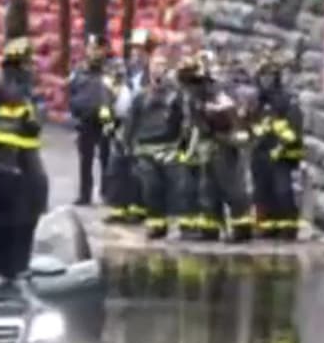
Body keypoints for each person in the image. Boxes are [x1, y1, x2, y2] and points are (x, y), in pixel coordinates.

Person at [177, 54, 254, 242]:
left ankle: (241, 228)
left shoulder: (217, 94)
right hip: (209, 146)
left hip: (225, 146)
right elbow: (194, 125)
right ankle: (210, 229)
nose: (187, 88)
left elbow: (228, 119)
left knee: (232, 188)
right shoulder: (195, 96)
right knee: (208, 189)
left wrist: (213, 123)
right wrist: (188, 147)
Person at [0, 37, 48, 215]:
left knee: (37, 179)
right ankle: (2, 210)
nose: (30, 63)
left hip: (27, 138)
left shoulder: (31, 80)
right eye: (27, 58)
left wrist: (35, 122)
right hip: (4, 139)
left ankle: (37, 210)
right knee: (7, 178)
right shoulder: (0, 80)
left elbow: (37, 106)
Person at [125, 54, 187, 239]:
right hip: (145, 148)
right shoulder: (140, 96)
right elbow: (131, 122)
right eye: (155, 64)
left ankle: (180, 224)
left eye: (162, 64)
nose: (158, 68)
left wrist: (182, 145)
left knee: (176, 188)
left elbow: (185, 121)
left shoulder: (177, 95)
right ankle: (156, 225)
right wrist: (128, 145)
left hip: (169, 147)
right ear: (149, 67)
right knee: (151, 188)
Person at [250, 54, 305, 240]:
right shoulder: (256, 101)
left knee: (282, 191)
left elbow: (294, 128)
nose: (266, 80)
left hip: (280, 154)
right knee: (261, 192)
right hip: (260, 153)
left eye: (270, 76)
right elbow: (248, 124)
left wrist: (282, 146)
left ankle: (288, 228)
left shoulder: (286, 100)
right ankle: (267, 227)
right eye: (262, 76)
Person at [67, 34, 113, 207]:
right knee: (85, 158)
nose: (94, 52)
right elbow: (71, 90)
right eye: (91, 48)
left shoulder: (112, 69)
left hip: (106, 117)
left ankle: (107, 193)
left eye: (97, 48)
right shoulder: (79, 69)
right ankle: (84, 194)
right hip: (85, 118)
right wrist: (74, 110)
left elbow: (118, 92)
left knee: (106, 156)